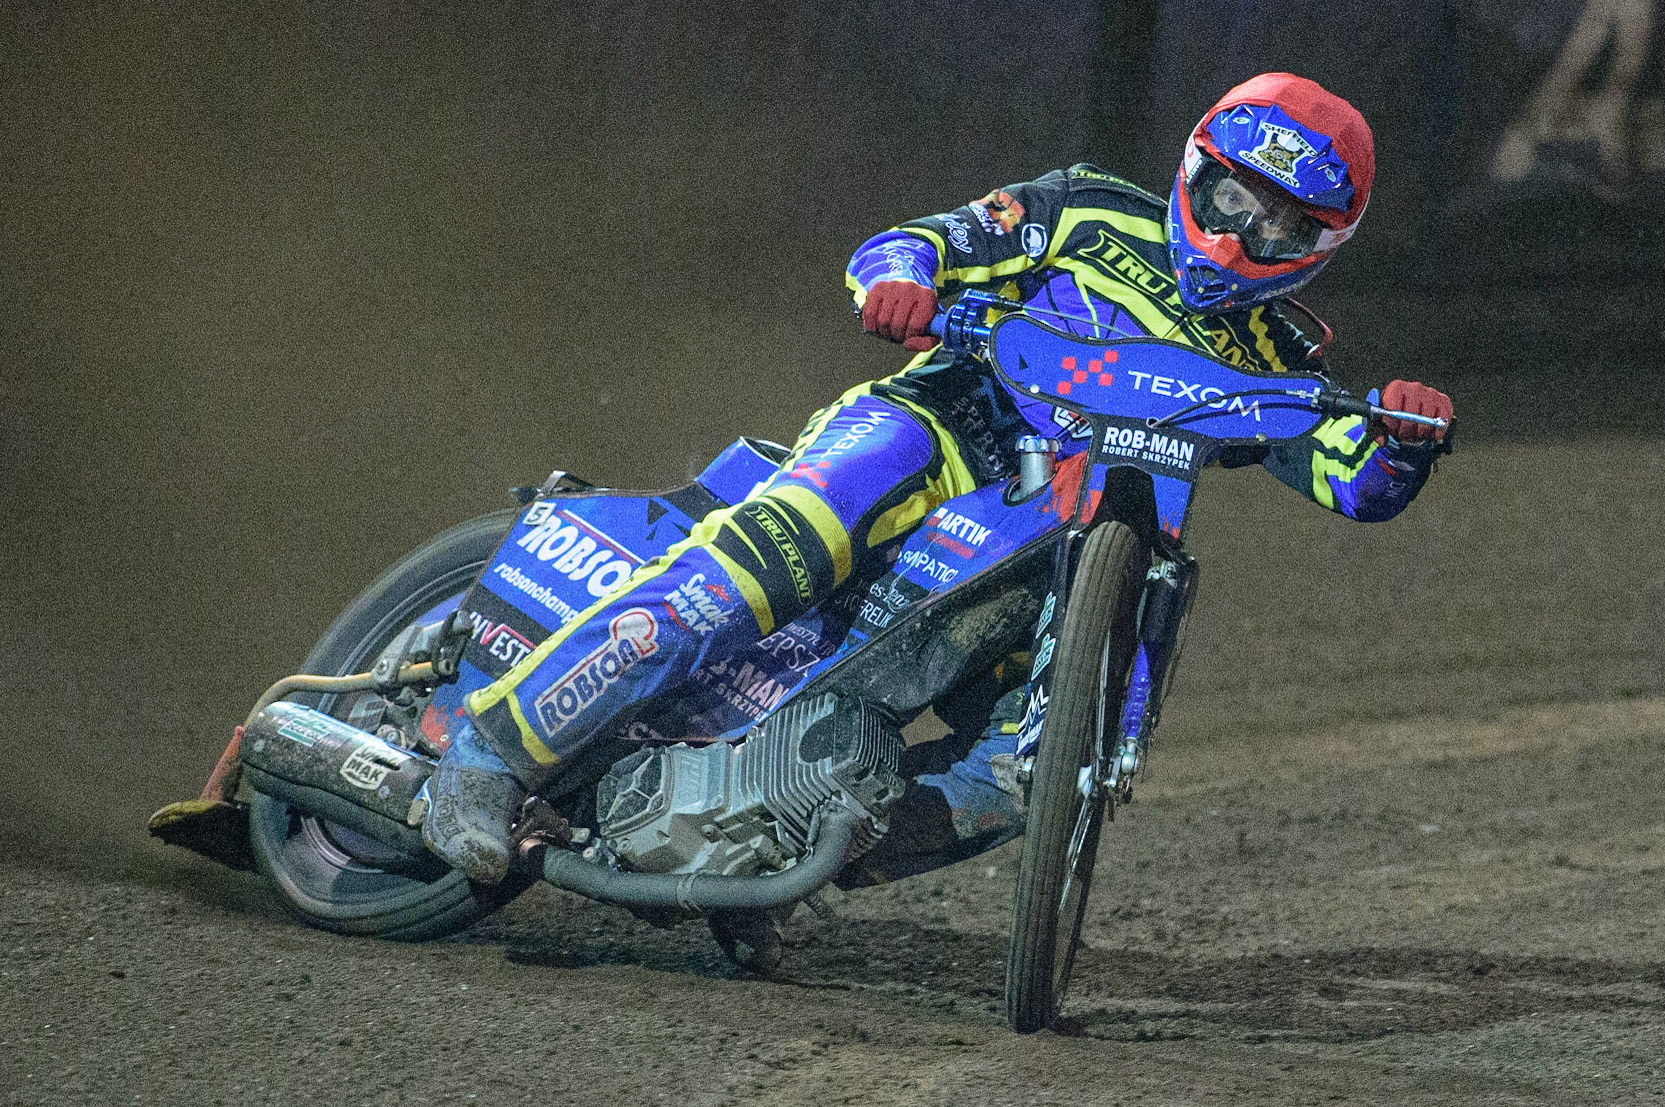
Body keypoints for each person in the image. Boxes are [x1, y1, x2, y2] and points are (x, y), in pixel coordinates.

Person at [423, 72, 1454, 890]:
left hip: (1091, 529)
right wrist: (903, 281)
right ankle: (488, 756)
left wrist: (1401, 440)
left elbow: (1348, 477)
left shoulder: (1284, 356)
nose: (1241, 234)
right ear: (1196, 170)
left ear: (1321, 246)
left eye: (1279, 225)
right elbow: (919, 241)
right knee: (766, 559)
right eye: (1234, 197)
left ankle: (799, 836)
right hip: (942, 429)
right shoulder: (1088, 208)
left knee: (1061, 752)